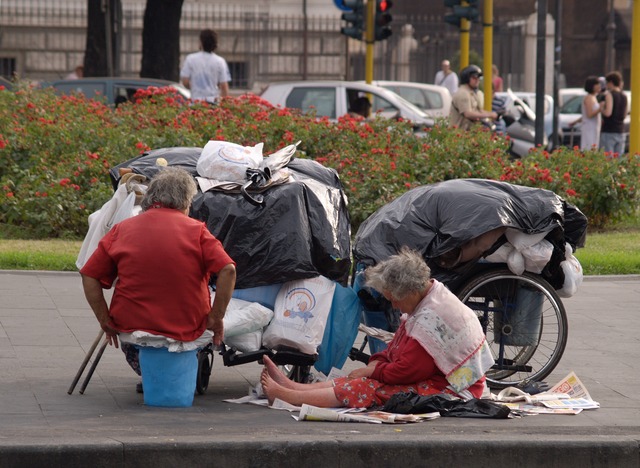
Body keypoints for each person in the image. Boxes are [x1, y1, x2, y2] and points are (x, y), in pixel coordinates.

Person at [260, 247, 493, 408]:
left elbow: (408, 371)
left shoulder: (432, 315)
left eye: (393, 298)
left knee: (366, 387)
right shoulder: (426, 300)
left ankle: (289, 396)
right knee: (359, 379)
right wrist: (377, 363)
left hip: (454, 390)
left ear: (409, 292)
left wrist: (373, 370)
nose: (393, 304)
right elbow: (398, 350)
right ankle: (294, 388)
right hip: (437, 378)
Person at [80, 167, 236, 386]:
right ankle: (172, 377)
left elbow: (89, 274)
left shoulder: (122, 229)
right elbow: (228, 269)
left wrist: (104, 319)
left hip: (130, 324)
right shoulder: (197, 230)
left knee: (134, 343)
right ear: (185, 201)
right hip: (188, 326)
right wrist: (216, 316)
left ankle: (150, 375)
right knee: (205, 336)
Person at [180, 29, 231, 103]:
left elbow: (185, 81)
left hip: (196, 102)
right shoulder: (220, 61)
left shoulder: (191, 59)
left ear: (201, 42)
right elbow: (224, 86)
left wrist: (193, 87)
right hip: (213, 102)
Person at [449, 65, 498, 131]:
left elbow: (478, 111)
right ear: (466, 78)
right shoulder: (463, 93)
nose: (477, 80)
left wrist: (493, 114)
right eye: (474, 77)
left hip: (467, 133)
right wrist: (490, 115)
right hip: (459, 134)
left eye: (479, 78)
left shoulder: (471, 93)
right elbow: (468, 114)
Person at [570, 75, 603, 150]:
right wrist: (600, 108)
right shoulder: (589, 98)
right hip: (589, 128)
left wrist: (575, 122)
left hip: (594, 127)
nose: (599, 86)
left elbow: (584, 115)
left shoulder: (594, 97)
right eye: (597, 84)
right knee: (589, 148)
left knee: (593, 147)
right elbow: (589, 114)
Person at [599, 71, 628, 154]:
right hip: (621, 130)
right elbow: (625, 114)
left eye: (607, 83)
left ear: (611, 82)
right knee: (618, 160)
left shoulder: (609, 95)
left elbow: (608, 113)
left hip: (609, 130)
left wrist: (601, 108)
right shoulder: (624, 95)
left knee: (608, 159)